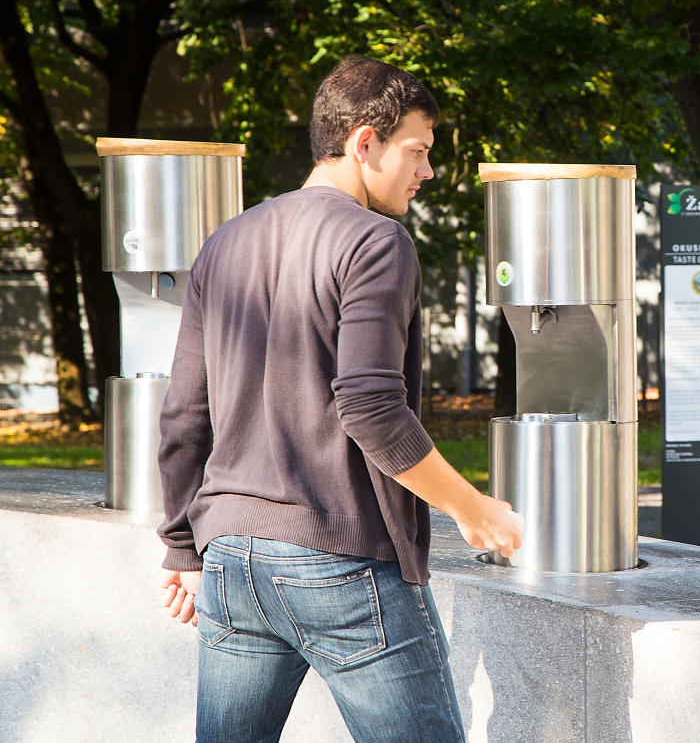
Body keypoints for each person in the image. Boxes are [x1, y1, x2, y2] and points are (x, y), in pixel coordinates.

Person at [156, 55, 522, 742]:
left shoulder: (225, 243)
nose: (428, 172)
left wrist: (182, 547)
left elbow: (183, 417)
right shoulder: (376, 242)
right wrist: (473, 509)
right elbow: (372, 409)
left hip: (233, 561)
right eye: (417, 151)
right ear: (364, 142)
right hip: (344, 564)